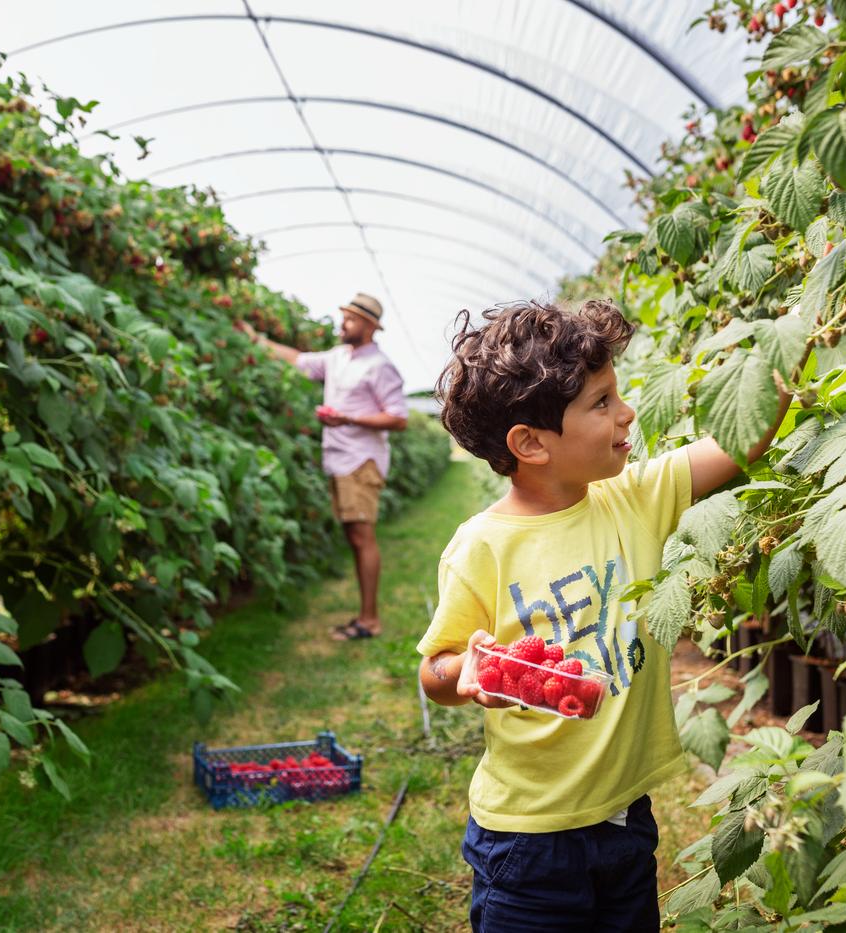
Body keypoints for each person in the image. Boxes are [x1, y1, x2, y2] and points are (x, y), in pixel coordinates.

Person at [416, 299, 791, 932]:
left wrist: (795, 338)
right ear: (531, 443)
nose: (627, 412)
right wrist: (468, 674)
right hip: (526, 839)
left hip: (624, 819)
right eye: (601, 402)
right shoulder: (483, 547)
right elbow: (435, 670)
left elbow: (740, 437)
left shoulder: (634, 497)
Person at [246, 292, 408, 640]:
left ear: (369, 326)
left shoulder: (379, 366)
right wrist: (256, 340)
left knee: (362, 536)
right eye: (344, 316)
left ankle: (370, 620)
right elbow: (298, 359)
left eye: (350, 318)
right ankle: (365, 615)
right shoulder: (338, 358)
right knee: (354, 535)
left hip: (360, 461)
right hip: (339, 459)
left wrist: (348, 418)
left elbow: (398, 418)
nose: (343, 322)